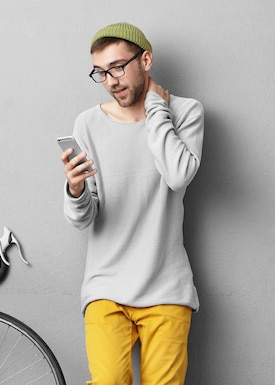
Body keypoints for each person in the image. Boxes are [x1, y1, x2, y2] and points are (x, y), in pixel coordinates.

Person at [60, 22, 204, 385]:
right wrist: (75, 190)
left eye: (118, 67)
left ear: (146, 59)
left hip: (166, 286)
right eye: (101, 73)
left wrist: (157, 108)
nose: (111, 81)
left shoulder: (185, 112)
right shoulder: (88, 124)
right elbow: (83, 219)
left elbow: (178, 174)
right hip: (106, 287)